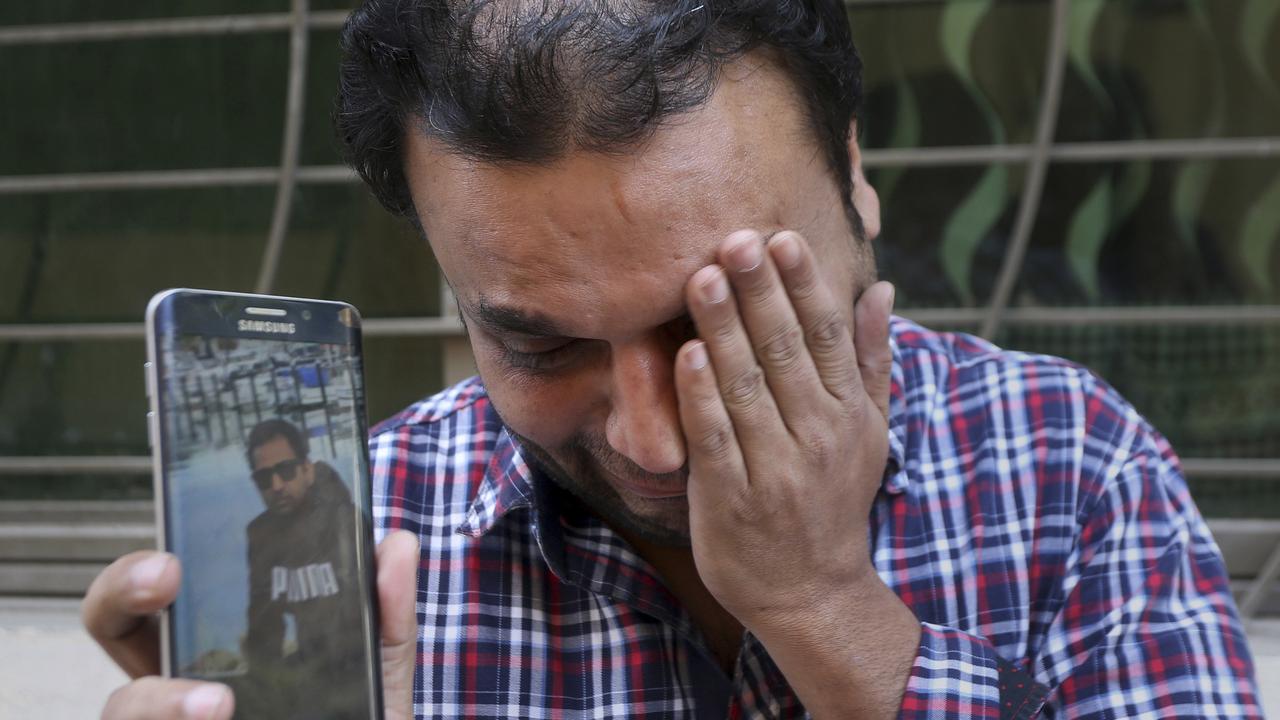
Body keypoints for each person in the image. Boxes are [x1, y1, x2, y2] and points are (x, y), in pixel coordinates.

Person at [85, 1, 1262, 718]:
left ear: (853, 176)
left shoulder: (1070, 470)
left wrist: (824, 609)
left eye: (717, 316)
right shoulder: (370, 532)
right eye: (538, 341)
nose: (651, 440)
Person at [229, 419, 368, 718]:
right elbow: (264, 625)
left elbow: (366, 613)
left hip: (360, 678)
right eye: (264, 478)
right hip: (310, 674)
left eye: (286, 470)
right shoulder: (261, 535)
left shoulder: (347, 522)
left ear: (307, 469)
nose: (277, 485)